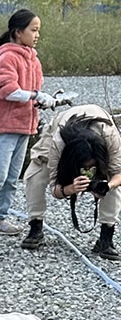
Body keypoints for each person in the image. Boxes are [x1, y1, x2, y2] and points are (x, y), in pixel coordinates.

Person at [0, 9, 55, 238]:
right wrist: (35, 95)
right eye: (33, 30)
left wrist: (42, 100)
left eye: (38, 31)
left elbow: (29, 93)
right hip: (4, 127)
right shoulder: (7, 57)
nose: (37, 35)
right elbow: (7, 90)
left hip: (24, 126)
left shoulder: (33, 59)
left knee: (13, 178)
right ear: (17, 32)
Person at [21, 104, 121, 260]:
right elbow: (54, 186)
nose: (87, 169)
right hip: (60, 127)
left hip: (101, 131)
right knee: (35, 174)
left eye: (90, 166)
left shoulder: (110, 136)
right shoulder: (58, 142)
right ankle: (35, 227)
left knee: (113, 184)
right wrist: (69, 188)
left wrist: (107, 186)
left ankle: (106, 238)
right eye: (83, 167)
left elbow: (118, 174)